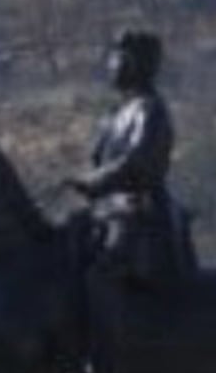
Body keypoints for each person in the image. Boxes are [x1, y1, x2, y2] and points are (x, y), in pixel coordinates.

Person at [67, 28, 177, 288]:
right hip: (106, 209)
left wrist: (95, 180)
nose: (111, 65)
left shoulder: (150, 109)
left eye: (119, 58)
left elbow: (137, 161)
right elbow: (99, 158)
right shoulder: (114, 115)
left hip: (138, 213)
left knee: (103, 270)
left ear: (135, 65)